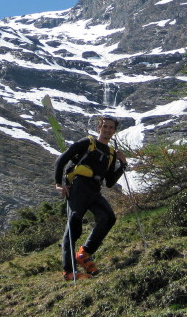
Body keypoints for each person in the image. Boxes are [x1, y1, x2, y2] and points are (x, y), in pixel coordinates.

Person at [54, 116, 127, 281]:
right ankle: (69, 271)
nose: (107, 130)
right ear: (99, 128)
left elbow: (109, 182)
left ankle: (84, 254)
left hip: (94, 189)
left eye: (111, 128)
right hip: (79, 187)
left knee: (108, 218)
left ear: (114, 131)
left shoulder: (110, 153)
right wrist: (59, 183)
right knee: (74, 227)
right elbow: (61, 160)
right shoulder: (87, 143)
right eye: (105, 127)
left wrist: (122, 165)